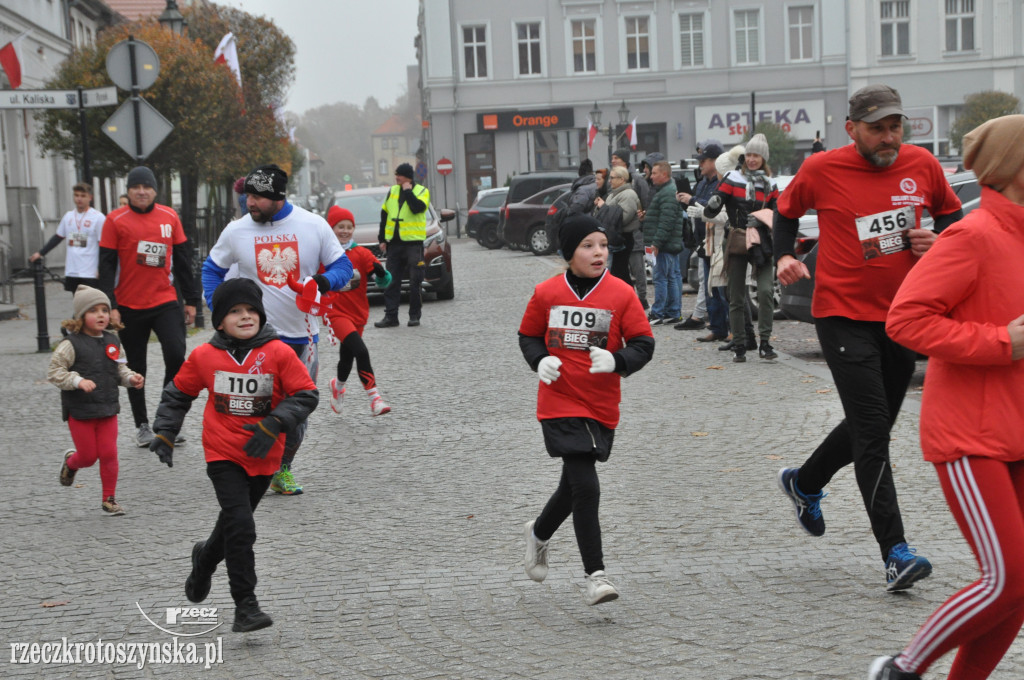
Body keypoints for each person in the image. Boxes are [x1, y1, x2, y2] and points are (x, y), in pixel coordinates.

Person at [773, 84, 962, 592]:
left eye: (895, 126)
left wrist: (939, 240)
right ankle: (895, 552)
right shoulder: (821, 170)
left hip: (903, 316)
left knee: (868, 425)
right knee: (874, 431)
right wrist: (784, 256)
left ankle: (804, 482)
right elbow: (785, 210)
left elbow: (951, 216)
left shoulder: (922, 165)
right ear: (851, 128)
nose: (888, 137)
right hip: (842, 315)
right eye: (877, 127)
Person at [869, 115, 1024, 680]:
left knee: (1019, 589)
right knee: (1006, 576)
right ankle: (901, 668)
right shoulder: (971, 236)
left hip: (1019, 430)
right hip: (970, 434)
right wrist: (1001, 341)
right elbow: (905, 321)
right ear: (1013, 168)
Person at [148, 278, 318, 633]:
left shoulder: (279, 352)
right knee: (241, 526)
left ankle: (204, 559)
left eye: (251, 310)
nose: (245, 317)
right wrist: (165, 431)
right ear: (220, 321)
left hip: (264, 454)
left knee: (232, 523)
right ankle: (246, 605)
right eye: (235, 312)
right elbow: (178, 393)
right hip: (222, 453)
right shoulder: (205, 356)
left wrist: (274, 423)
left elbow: (305, 394)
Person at [518, 215, 654, 605]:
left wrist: (618, 360)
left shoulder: (621, 294)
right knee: (586, 485)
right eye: (587, 246)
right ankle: (596, 575)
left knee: (572, 486)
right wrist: (539, 360)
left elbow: (644, 343)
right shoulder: (546, 293)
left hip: (600, 404)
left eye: (603, 245)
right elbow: (528, 334)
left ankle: (539, 533)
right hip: (559, 401)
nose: (598, 253)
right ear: (569, 253)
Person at [202, 164, 352, 496]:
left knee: (296, 411)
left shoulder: (312, 225)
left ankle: (283, 468)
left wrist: (321, 282)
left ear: (276, 197)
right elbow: (212, 269)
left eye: (256, 197)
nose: (249, 202)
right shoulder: (236, 231)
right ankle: (245, 465)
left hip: (302, 337)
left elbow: (344, 266)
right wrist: (219, 309)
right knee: (250, 405)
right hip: (253, 339)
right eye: (247, 196)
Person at [98, 166, 199, 448]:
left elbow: (182, 261)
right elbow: (105, 267)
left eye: (147, 187)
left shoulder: (169, 216)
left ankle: (166, 421)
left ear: (155, 190)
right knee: (135, 367)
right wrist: (111, 305)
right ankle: (142, 425)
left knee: (177, 355)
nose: (141, 192)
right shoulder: (114, 220)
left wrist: (191, 300)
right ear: (128, 191)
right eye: (136, 187)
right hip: (129, 305)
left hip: (165, 300)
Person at [48, 285, 144, 516]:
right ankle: (72, 462)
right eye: (94, 310)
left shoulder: (113, 341)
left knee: (109, 454)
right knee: (89, 457)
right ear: (81, 316)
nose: (101, 315)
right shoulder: (70, 344)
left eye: (104, 310)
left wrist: (132, 378)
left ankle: (109, 499)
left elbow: (120, 370)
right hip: (80, 410)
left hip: (108, 407)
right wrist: (77, 380)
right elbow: (54, 372)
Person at [703, 133, 779, 363]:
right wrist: (714, 203)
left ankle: (765, 342)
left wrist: (764, 217)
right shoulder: (733, 178)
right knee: (735, 294)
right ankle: (739, 343)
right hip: (737, 237)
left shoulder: (771, 184)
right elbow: (716, 203)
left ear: (763, 158)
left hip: (762, 240)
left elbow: (778, 214)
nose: (752, 159)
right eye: (749, 155)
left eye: (757, 155)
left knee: (765, 291)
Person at [320, 205, 393, 416]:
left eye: (349, 227)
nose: (345, 231)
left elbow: (384, 282)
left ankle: (338, 386)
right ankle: (375, 399)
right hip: (335, 313)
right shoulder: (324, 256)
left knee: (347, 357)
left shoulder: (361, 253)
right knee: (361, 351)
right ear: (331, 229)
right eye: (340, 227)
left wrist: (381, 273)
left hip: (358, 313)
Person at [678, 142, 727, 338]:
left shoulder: (720, 183)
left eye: (704, 160)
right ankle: (716, 328)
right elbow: (698, 209)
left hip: (717, 240)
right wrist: (686, 203)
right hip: (703, 240)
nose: (700, 164)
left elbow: (713, 206)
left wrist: (691, 200)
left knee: (720, 287)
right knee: (708, 288)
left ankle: (728, 329)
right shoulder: (702, 183)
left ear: (716, 162)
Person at [375, 163, 430, 328]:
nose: (396, 177)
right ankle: (391, 317)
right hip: (395, 244)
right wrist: (382, 238)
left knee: (415, 282)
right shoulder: (392, 191)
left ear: (407, 176)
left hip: (413, 244)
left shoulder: (422, 191)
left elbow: (416, 208)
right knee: (391, 281)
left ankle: (414, 316)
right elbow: (384, 215)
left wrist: (407, 191)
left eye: (399, 174)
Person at [30, 183, 105, 295]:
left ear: (90, 197)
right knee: (77, 302)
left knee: (90, 304)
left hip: (89, 271)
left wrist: (101, 268)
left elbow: (102, 245)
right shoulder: (68, 216)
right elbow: (58, 237)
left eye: (83, 196)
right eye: (76, 195)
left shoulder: (98, 217)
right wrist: (40, 253)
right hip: (73, 270)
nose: (79, 199)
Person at [644, 160, 684, 325]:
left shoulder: (667, 193)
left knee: (661, 278)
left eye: (654, 173)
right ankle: (672, 312)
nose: (651, 176)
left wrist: (656, 244)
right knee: (671, 277)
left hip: (663, 245)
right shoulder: (666, 191)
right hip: (667, 244)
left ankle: (658, 313)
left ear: (664, 174)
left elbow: (666, 222)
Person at [610, 148, 649, 310]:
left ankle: (642, 299)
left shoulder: (637, 180)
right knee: (620, 270)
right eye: (612, 158)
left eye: (616, 158)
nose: (613, 161)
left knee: (638, 269)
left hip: (634, 232)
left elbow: (645, 203)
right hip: (619, 234)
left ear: (625, 161)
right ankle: (627, 299)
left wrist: (642, 221)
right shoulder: (614, 180)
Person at [597, 166, 640, 286]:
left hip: (623, 238)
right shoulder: (613, 194)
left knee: (620, 273)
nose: (609, 181)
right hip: (613, 238)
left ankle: (629, 299)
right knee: (616, 273)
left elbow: (623, 218)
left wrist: (604, 207)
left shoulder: (628, 194)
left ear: (622, 179)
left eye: (612, 178)